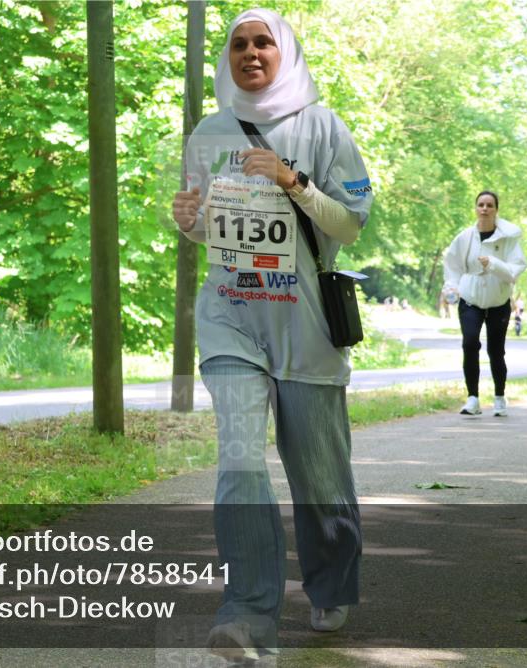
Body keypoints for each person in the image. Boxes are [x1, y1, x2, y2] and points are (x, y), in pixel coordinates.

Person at [172, 8, 371, 660]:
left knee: (320, 482)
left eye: (263, 42)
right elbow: (207, 226)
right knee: (239, 458)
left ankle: (331, 581)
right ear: (227, 58)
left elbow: (349, 225)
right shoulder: (208, 133)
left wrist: (294, 182)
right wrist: (188, 219)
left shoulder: (324, 127)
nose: (251, 53)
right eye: (239, 44)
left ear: (285, 51)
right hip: (230, 315)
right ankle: (249, 615)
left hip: (305, 324)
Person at [443, 191, 527, 417]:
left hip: (498, 301)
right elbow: (452, 266)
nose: (485, 209)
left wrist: (493, 264)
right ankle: (472, 398)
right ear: (475, 208)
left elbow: (514, 271)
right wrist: (451, 287)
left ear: (496, 210)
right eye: (481, 204)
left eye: (490, 205)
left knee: (496, 350)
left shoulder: (508, 239)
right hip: (470, 299)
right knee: (470, 344)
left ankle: (499, 397)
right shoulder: (464, 237)